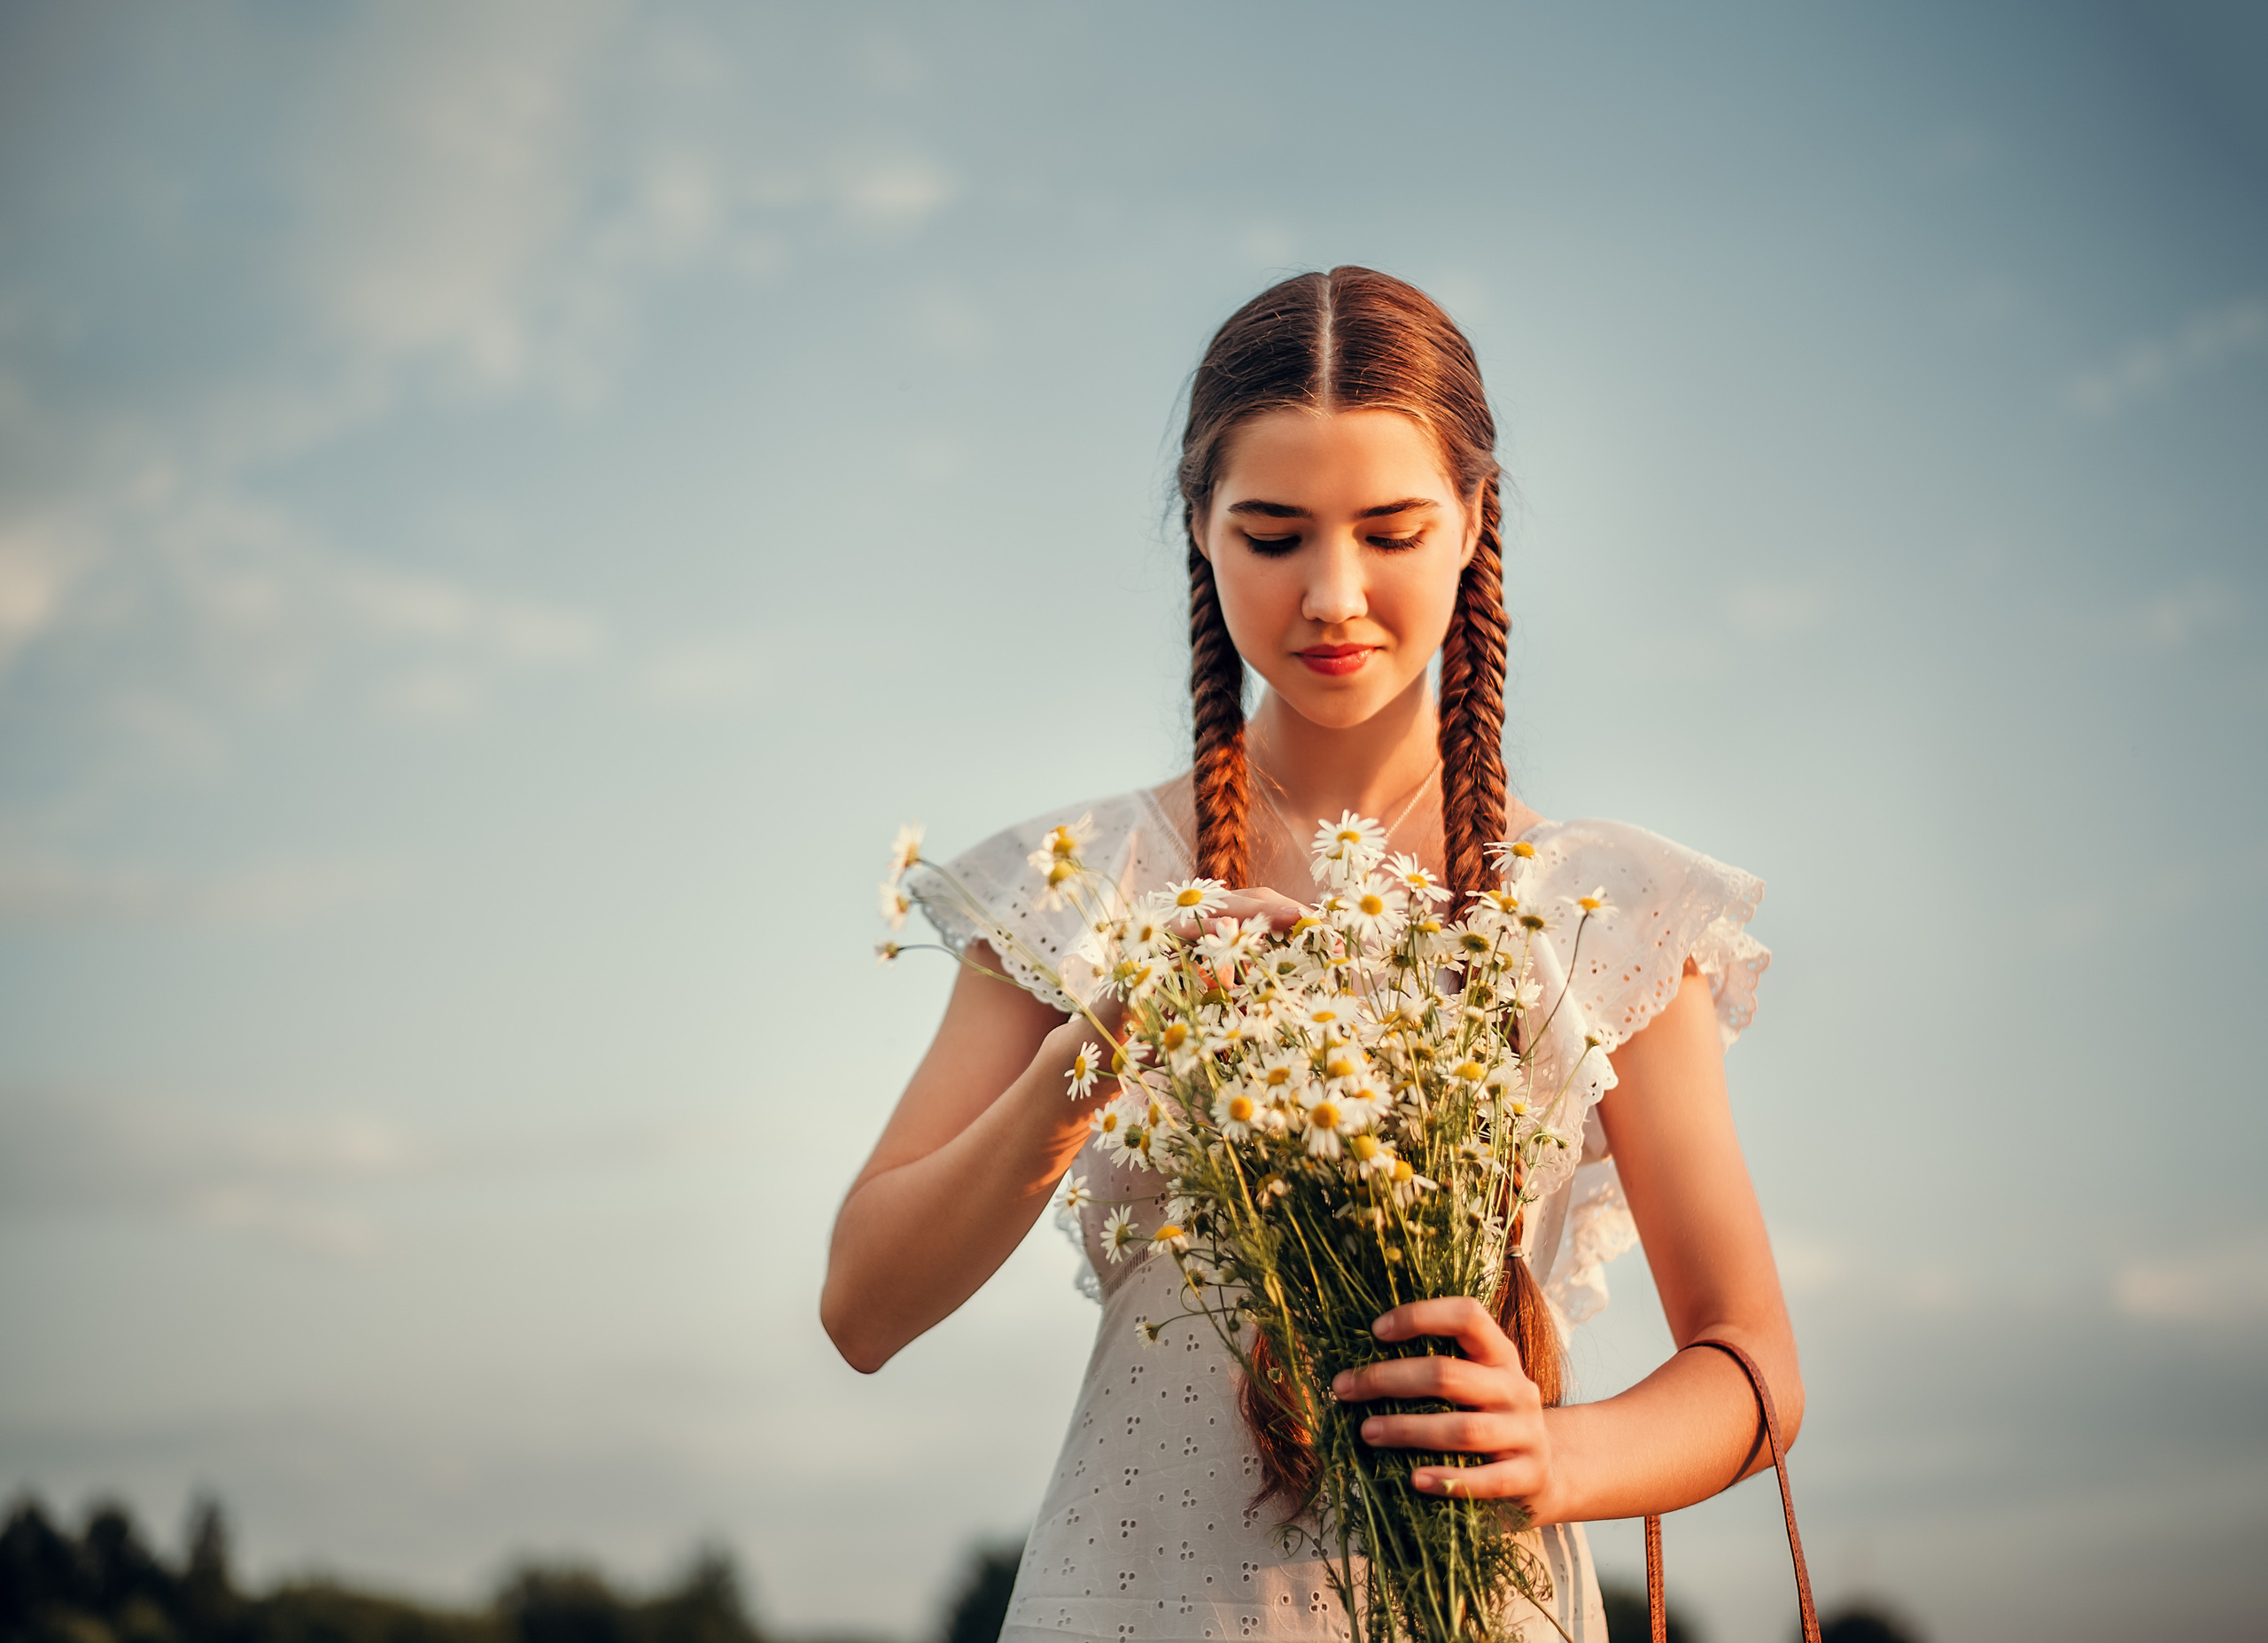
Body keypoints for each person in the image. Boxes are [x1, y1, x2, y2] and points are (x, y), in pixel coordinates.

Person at [822, 267, 1801, 1642]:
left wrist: (1555, 1458)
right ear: (1200, 532)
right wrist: (1090, 1056)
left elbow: (1752, 1363)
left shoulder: (1600, 906)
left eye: (1392, 529)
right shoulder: (1075, 890)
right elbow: (862, 1304)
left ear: (1474, 519)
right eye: (1273, 535)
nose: (1333, 594)